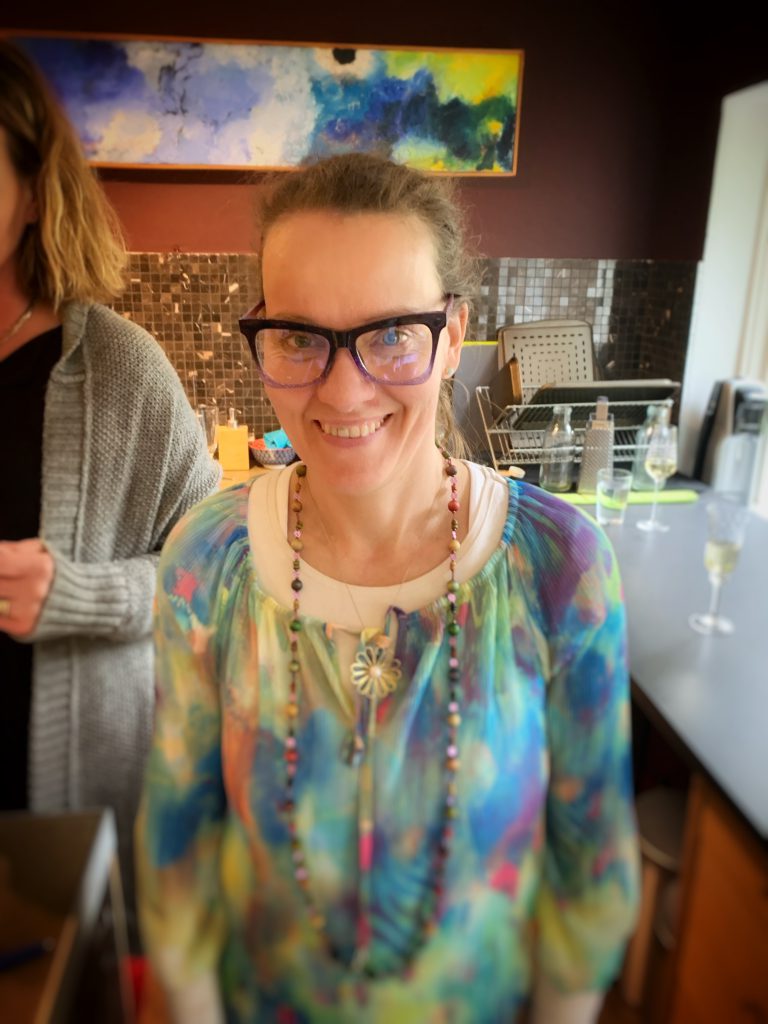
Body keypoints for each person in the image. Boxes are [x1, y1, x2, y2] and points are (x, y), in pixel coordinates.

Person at [137, 152, 639, 1023]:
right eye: (299, 337)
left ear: (452, 336)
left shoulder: (563, 570)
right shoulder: (205, 563)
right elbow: (178, 865)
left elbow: (590, 882)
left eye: (393, 335)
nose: (344, 389)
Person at [0, 39, 221, 940]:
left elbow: (212, 568)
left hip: (59, 807)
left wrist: (76, 594)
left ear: (31, 191)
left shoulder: (120, 370)